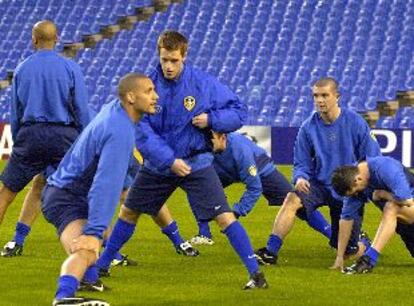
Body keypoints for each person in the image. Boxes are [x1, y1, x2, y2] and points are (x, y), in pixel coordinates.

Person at [96, 31, 268, 290]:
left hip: (196, 163)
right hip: (159, 166)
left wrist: (212, 120)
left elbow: (238, 111)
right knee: (129, 212)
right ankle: (102, 266)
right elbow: (142, 131)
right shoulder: (147, 86)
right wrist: (169, 160)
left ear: (184, 56)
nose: (168, 66)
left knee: (224, 218)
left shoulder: (202, 84)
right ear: (159, 55)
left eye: (174, 60)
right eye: (165, 59)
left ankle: (256, 275)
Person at [42, 73, 158, 306]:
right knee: (87, 250)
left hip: (63, 192)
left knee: (106, 236)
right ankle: (63, 297)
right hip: (67, 198)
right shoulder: (120, 131)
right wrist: (92, 233)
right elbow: (105, 185)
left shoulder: (115, 110)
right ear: (131, 97)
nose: (155, 96)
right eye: (149, 91)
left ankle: (89, 280)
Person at [255, 77, 380, 266]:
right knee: (292, 199)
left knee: (348, 253)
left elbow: (372, 158)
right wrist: (300, 178)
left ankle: (362, 243)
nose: (320, 100)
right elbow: (301, 162)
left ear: (337, 96)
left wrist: (360, 186)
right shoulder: (308, 127)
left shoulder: (356, 123)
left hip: (346, 189)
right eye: (316, 96)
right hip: (319, 185)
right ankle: (270, 252)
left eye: (324, 95)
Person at [0, 20, 91, 245]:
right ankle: (97, 253)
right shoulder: (70, 67)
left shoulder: (22, 69)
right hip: (63, 137)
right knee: (80, 194)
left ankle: (17, 241)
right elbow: (80, 108)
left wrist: (21, 140)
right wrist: (86, 140)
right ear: (57, 38)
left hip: (31, 135)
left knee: (6, 192)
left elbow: (16, 112)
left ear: (34, 39)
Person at [190, 131, 332, 246]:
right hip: (227, 171)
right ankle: (204, 234)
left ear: (223, 137)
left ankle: (333, 236)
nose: (207, 143)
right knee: (197, 188)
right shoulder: (206, 146)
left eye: (211, 139)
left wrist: (237, 211)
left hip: (263, 171)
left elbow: (254, 187)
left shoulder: (240, 151)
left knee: (298, 203)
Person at [331, 156, 414, 274]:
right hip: (406, 225)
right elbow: (347, 218)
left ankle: (368, 260)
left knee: (392, 207)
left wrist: (382, 194)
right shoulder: (352, 180)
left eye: (355, 192)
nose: (356, 194)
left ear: (357, 180)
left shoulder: (385, 168)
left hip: (410, 207)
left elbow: (407, 201)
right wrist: (339, 257)